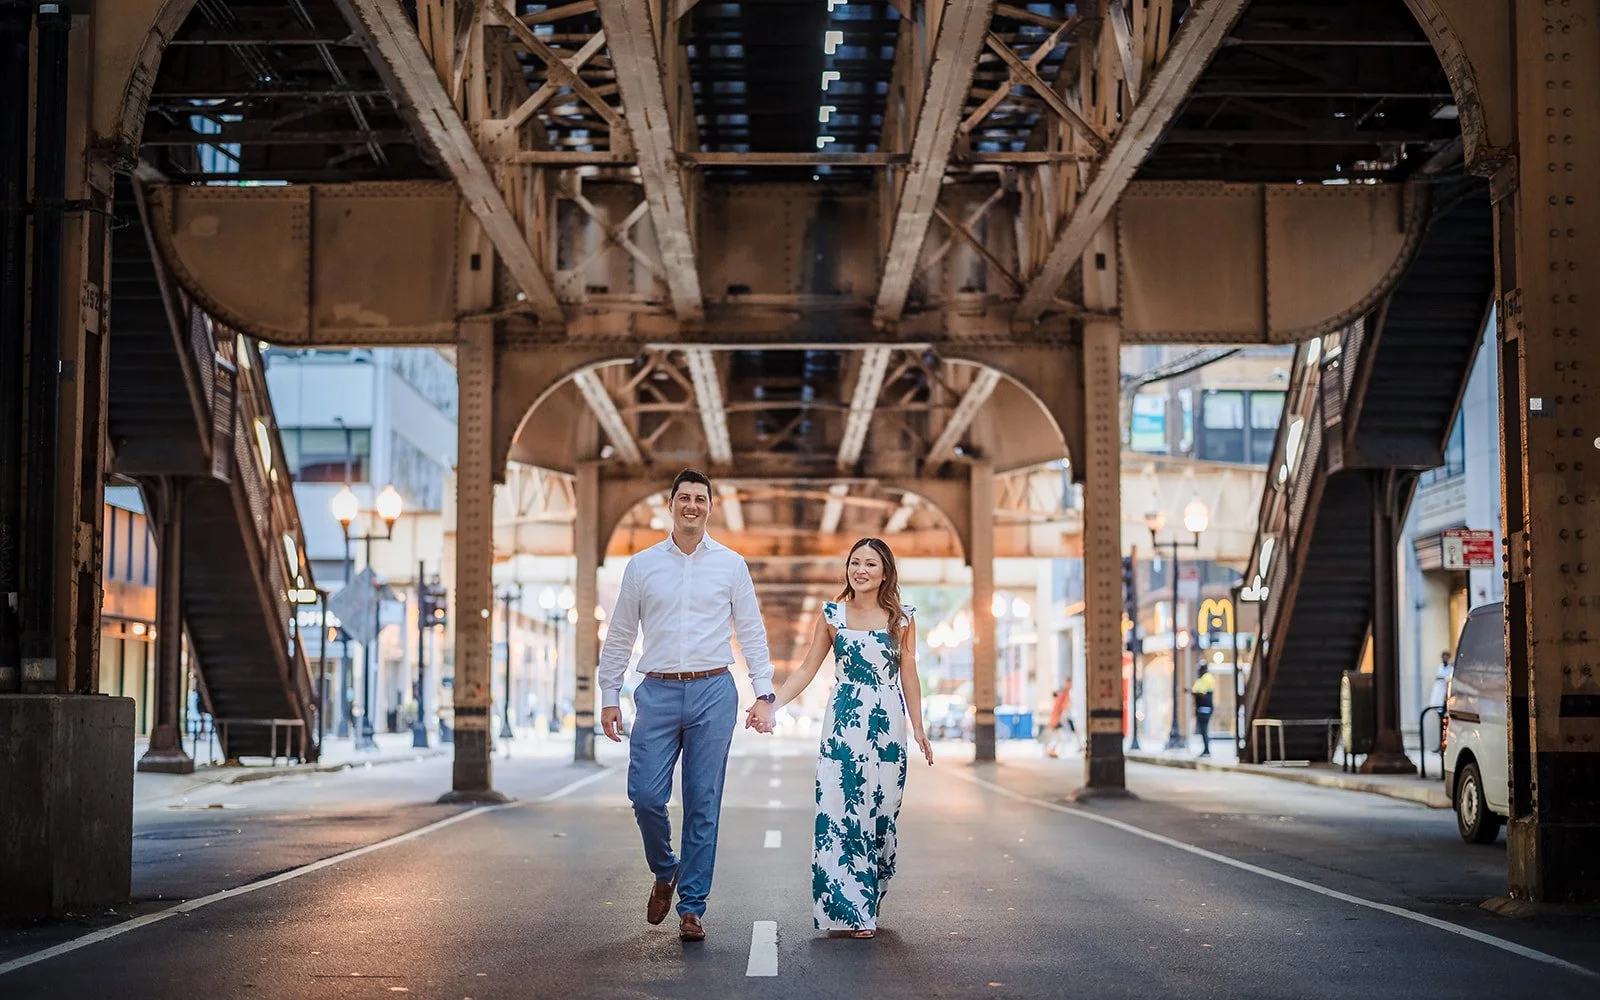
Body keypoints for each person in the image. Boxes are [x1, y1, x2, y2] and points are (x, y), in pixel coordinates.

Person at [597, 469, 776, 943]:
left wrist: (764, 692)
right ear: (671, 505)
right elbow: (621, 634)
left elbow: (752, 633)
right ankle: (665, 868)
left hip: (714, 691)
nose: (692, 505)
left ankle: (692, 907)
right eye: (684, 498)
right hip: (655, 692)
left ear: (710, 507)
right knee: (646, 796)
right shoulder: (642, 565)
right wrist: (609, 693)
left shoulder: (732, 566)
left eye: (700, 498)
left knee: (703, 802)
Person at [746, 538, 934, 939]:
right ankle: (852, 910)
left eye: (870, 564)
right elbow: (806, 670)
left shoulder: (901, 618)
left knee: (881, 818)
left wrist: (918, 727)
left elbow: (910, 675)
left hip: (887, 728)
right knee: (841, 813)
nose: (860, 570)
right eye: (854, 563)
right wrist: (770, 704)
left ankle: (869, 891)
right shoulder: (832, 615)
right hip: (843, 726)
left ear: (885, 572)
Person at [1044, 683, 1077, 759]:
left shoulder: (1060, 700)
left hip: (1056, 722)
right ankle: (1050, 750)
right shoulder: (1061, 699)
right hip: (1056, 722)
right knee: (1058, 738)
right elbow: (1061, 711)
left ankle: (1051, 750)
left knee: (1058, 738)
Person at [1191, 663, 1216, 757]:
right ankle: (1206, 749)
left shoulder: (1206, 678)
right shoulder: (1204, 678)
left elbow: (1200, 692)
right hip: (1203, 707)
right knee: (1203, 730)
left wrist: (1194, 693)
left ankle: (1206, 750)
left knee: (1204, 730)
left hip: (1204, 708)